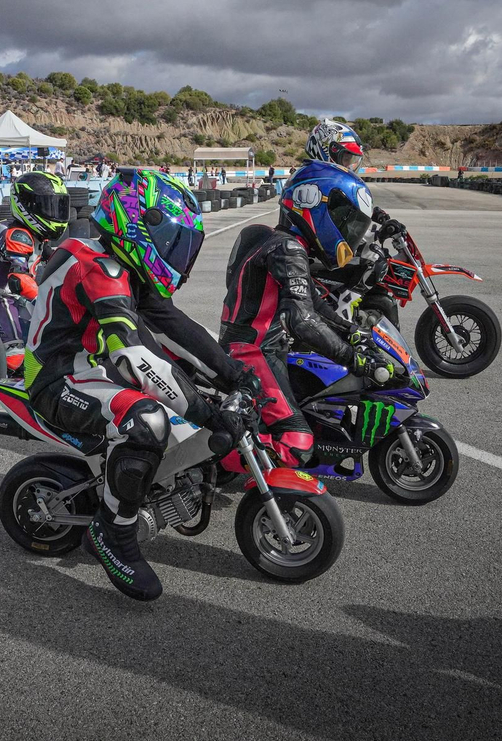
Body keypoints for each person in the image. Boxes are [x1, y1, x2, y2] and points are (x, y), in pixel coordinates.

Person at [24, 170, 258, 602]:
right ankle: (114, 531)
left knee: (190, 390)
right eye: (172, 240)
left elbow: (175, 326)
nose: (177, 253)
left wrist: (235, 376)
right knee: (147, 420)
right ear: (136, 224)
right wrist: (207, 411)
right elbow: (133, 357)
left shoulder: (118, 262)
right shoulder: (98, 267)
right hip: (58, 379)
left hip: (92, 369)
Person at [219, 161, 406, 469]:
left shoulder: (275, 241)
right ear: (312, 203)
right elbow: (301, 320)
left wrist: (352, 331)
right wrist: (353, 358)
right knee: (298, 446)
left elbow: (314, 304)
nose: (349, 233)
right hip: (254, 353)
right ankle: (218, 452)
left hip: (259, 349)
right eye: (344, 220)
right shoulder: (288, 248)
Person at [0, 171, 70, 374]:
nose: (54, 212)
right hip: (1, 299)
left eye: (57, 206)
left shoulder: (36, 234)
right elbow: (18, 279)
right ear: (27, 206)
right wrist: (44, 302)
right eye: (48, 206)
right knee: (15, 359)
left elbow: (58, 259)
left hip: (21, 300)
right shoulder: (18, 236)